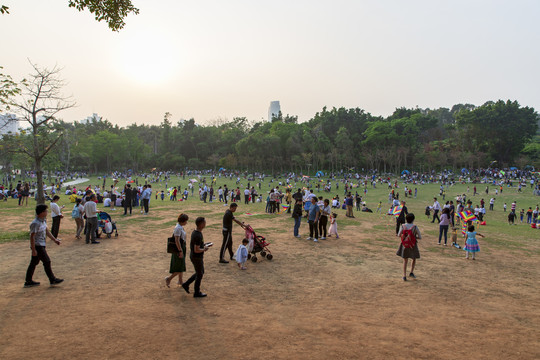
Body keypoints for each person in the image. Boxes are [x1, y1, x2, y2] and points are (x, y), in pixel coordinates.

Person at [24, 204, 64, 287]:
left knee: (34, 263)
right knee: (47, 261)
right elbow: (32, 237)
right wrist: (34, 249)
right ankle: (52, 279)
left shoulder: (43, 220)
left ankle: (28, 281)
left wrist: (54, 240)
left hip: (42, 244)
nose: (47, 212)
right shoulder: (35, 223)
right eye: (45, 211)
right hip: (38, 246)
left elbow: (47, 231)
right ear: (41, 212)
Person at [181, 217, 210, 298]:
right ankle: (196, 292)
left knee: (200, 272)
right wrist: (204, 249)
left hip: (195, 256)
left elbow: (197, 246)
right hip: (196, 257)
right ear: (201, 224)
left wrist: (204, 245)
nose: (205, 224)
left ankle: (186, 284)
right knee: (200, 274)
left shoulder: (196, 232)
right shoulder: (198, 235)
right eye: (204, 222)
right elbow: (196, 250)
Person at [165, 213, 189, 288]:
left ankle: (180, 280)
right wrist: (180, 250)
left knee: (181, 265)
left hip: (182, 247)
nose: (186, 222)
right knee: (180, 266)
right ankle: (169, 278)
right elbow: (177, 240)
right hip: (179, 248)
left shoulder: (180, 227)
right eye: (186, 221)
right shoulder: (178, 228)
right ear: (182, 221)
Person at [396, 213, 421, 281]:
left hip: (405, 244)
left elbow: (398, 235)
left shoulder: (403, 226)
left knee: (405, 260)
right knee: (414, 258)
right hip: (413, 244)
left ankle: (404, 275)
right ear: (413, 219)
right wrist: (413, 237)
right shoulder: (415, 227)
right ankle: (411, 272)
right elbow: (420, 236)